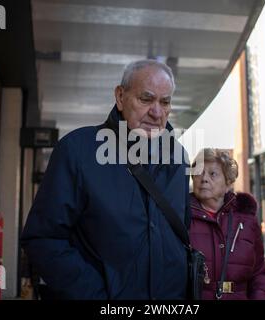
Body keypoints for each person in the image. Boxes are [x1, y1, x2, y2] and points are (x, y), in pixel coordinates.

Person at [21, 60, 191, 299]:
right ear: (120, 97)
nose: (157, 112)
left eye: (165, 102)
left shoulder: (179, 159)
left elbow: (183, 235)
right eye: (146, 99)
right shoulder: (77, 150)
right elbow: (42, 239)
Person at [189, 148, 265, 300]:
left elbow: (259, 274)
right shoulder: (180, 218)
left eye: (213, 174)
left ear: (228, 182)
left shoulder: (247, 221)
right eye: (198, 172)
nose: (204, 178)